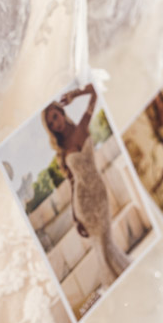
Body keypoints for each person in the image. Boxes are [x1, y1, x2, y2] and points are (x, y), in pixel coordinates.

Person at [42, 83, 130, 288]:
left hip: (99, 192)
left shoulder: (83, 126)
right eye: (51, 124)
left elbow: (95, 91)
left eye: (55, 117)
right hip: (83, 203)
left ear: (62, 113)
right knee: (101, 248)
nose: (55, 124)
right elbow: (73, 184)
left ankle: (122, 280)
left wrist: (75, 93)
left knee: (108, 244)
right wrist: (74, 216)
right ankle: (118, 285)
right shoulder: (62, 152)